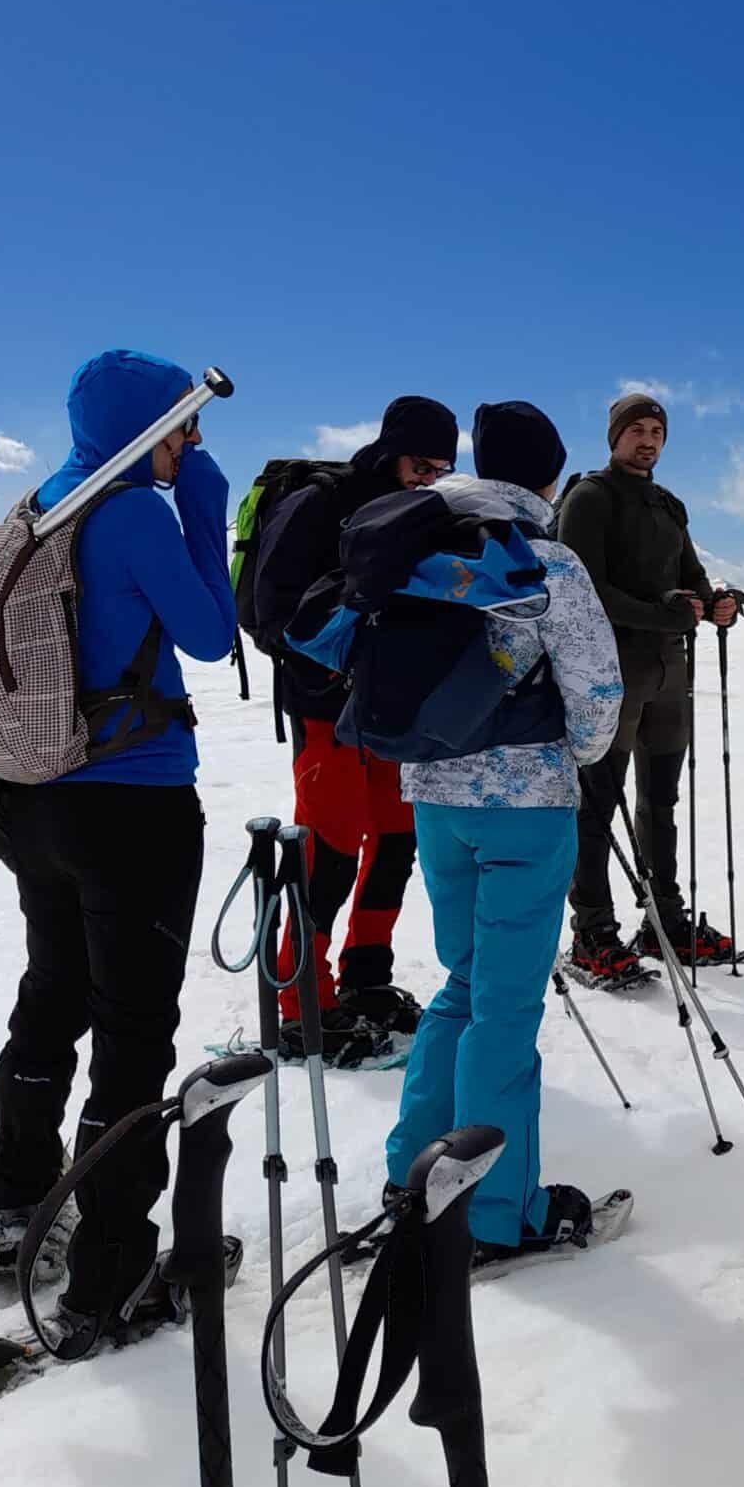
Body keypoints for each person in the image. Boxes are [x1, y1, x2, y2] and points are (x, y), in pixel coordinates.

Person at [0, 348, 239, 1352]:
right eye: (185, 428)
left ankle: (14, 1205)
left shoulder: (48, 499)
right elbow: (212, 636)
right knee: (133, 1036)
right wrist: (206, 507)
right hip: (132, 807)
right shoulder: (132, 512)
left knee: (51, 997)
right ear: (147, 429)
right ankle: (109, 1283)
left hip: (35, 796)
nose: (193, 445)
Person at [384, 401, 627, 1263]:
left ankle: (414, 1171)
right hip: (525, 802)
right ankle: (494, 1212)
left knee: (462, 982)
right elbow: (597, 696)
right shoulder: (547, 561)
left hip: (434, 798)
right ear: (547, 475)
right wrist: (579, 754)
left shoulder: (424, 547)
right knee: (506, 1006)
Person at [251, 394, 461, 1056]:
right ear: (391, 448)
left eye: (441, 467)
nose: (428, 477)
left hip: (387, 707)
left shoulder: (420, 513)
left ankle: (366, 975)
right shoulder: (321, 502)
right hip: (324, 707)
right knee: (331, 847)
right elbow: (268, 613)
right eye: (420, 462)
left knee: (397, 840)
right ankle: (300, 1003)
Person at [555, 391, 742, 984]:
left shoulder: (668, 505)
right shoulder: (590, 499)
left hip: (667, 675)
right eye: (635, 429)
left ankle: (665, 919)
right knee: (597, 806)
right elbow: (585, 591)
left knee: (661, 801)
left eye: (656, 431)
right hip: (609, 677)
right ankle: (593, 931)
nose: (647, 440)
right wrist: (669, 614)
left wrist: (715, 604)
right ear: (614, 437)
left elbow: (690, 579)